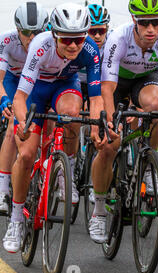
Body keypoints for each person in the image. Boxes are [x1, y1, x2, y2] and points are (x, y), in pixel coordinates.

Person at [3, 3, 103, 254]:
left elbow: (97, 98)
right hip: (36, 89)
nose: (73, 46)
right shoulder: (40, 45)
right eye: (66, 40)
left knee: (72, 114)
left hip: (64, 87)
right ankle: (15, 218)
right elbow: (20, 97)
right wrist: (24, 125)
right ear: (54, 34)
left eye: (78, 39)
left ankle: (65, 168)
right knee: (25, 154)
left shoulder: (90, 50)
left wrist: (95, 129)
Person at [89, 0, 158, 244]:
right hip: (116, 83)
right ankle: (99, 209)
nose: (151, 28)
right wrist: (111, 124)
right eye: (144, 23)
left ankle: (149, 163)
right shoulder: (118, 39)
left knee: (157, 107)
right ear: (134, 20)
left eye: (156, 22)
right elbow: (107, 88)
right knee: (110, 145)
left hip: (144, 79)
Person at [0, 2, 48, 215]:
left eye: (37, 32)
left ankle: (48, 169)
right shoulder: (7, 41)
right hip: (12, 79)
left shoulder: (48, 43)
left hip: (37, 81)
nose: (31, 37)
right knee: (13, 124)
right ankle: (2, 190)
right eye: (26, 32)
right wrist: (3, 100)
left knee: (50, 118)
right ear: (18, 30)